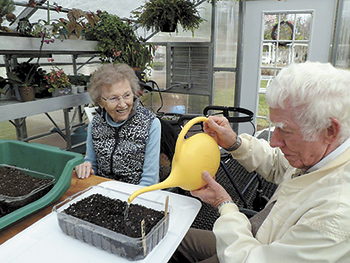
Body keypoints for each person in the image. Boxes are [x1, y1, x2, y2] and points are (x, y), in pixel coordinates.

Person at [170, 61, 350, 263]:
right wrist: (234, 143)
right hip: (253, 235)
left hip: (252, 253)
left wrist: (225, 205)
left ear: (330, 130)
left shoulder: (335, 216)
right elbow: (279, 164)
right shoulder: (323, 155)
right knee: (170, 237)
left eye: (286, 130)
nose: (274, 141)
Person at [75, 63, 161, 186]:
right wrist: (85, 168)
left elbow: (149, 180)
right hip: (103, 190)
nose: (122, 104)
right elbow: (91, 164)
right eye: (113, 98)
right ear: (100, 102)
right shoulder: (95, 124)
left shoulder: (150, 124)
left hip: (137, 193)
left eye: (127, 95)